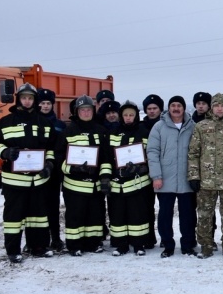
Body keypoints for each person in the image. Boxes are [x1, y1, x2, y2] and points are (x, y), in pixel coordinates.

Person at [0, 83, 57, 262]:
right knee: (13, 218)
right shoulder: (4, 122)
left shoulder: (45, 123)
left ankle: (38, 247)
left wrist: (49, 164)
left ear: (35, 100)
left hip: (38, 181)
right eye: (24, 97)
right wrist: (5, 152)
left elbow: (51, 147)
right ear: (19, 99)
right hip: (14, 181)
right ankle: (13, 250)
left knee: (39, 217)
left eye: (30, 98)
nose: (27, 101)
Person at [188, 93, 223, 259]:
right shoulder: (201, 127)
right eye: (216, 105)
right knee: (205, 215)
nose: (219, 108)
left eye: (222, 105)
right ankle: (206, 245)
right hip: (206, 181)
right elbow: (193, 153)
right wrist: (194, 176)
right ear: (211, 107)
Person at [61, 95, 112, 256]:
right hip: (74, 185)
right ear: (77, 111)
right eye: (82, 110)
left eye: (88, 109)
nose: (86, 112)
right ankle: (74, 245)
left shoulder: (101, 131)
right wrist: (73, 169)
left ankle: (94, 243)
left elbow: (106, 157)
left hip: (95, 184)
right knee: (75, 215)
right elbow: (58, 157)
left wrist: (104, 177)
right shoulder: (68, 131)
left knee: (95, 215)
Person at [147, 95, 198, 258]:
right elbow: (152, 152)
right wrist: (156, 176)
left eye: (179, 105)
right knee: (165, 215)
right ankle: (168, 244)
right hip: (165, 179)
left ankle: (188, 245)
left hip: (186, 179)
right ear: (168, 108)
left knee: (188, 215)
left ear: (184, 108)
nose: (176, 108)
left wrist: (196, 176)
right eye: (173, 105)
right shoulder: (159, 127)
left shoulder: (193, 127)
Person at [107, 101, 151, 256]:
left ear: (136, 116)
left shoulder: (143, 132)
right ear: (121, 116)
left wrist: (140, 168)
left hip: (137, 183)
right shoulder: (113, 132)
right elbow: (107, 157)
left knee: (137, 214)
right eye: (125, 115)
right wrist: (106, 177)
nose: (128, 118)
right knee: (118, 215)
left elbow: (149, 156)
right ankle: (121, 245)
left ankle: (139, 244)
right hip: (117, 183)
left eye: (131, 115)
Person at [36, 88, 66, 252]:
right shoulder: (33, 122)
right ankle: (37, 240)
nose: (45, 106)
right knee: (35, 208)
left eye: (48, 103)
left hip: (53, 173)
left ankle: (55, 238)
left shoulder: (59, 125)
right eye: (42, 103)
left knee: (53, 207)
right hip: (34, 172)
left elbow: (61, 148)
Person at [139, 93, 164, 249]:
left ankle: (164, 237)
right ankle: (149, 237)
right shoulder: (140, 128)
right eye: (149, 108)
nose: (152, 111)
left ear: (160, 109)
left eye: (155, 108)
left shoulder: (165, 125)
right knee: (146, 206)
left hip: (162, 172)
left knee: (164, 207)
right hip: (143, 172)